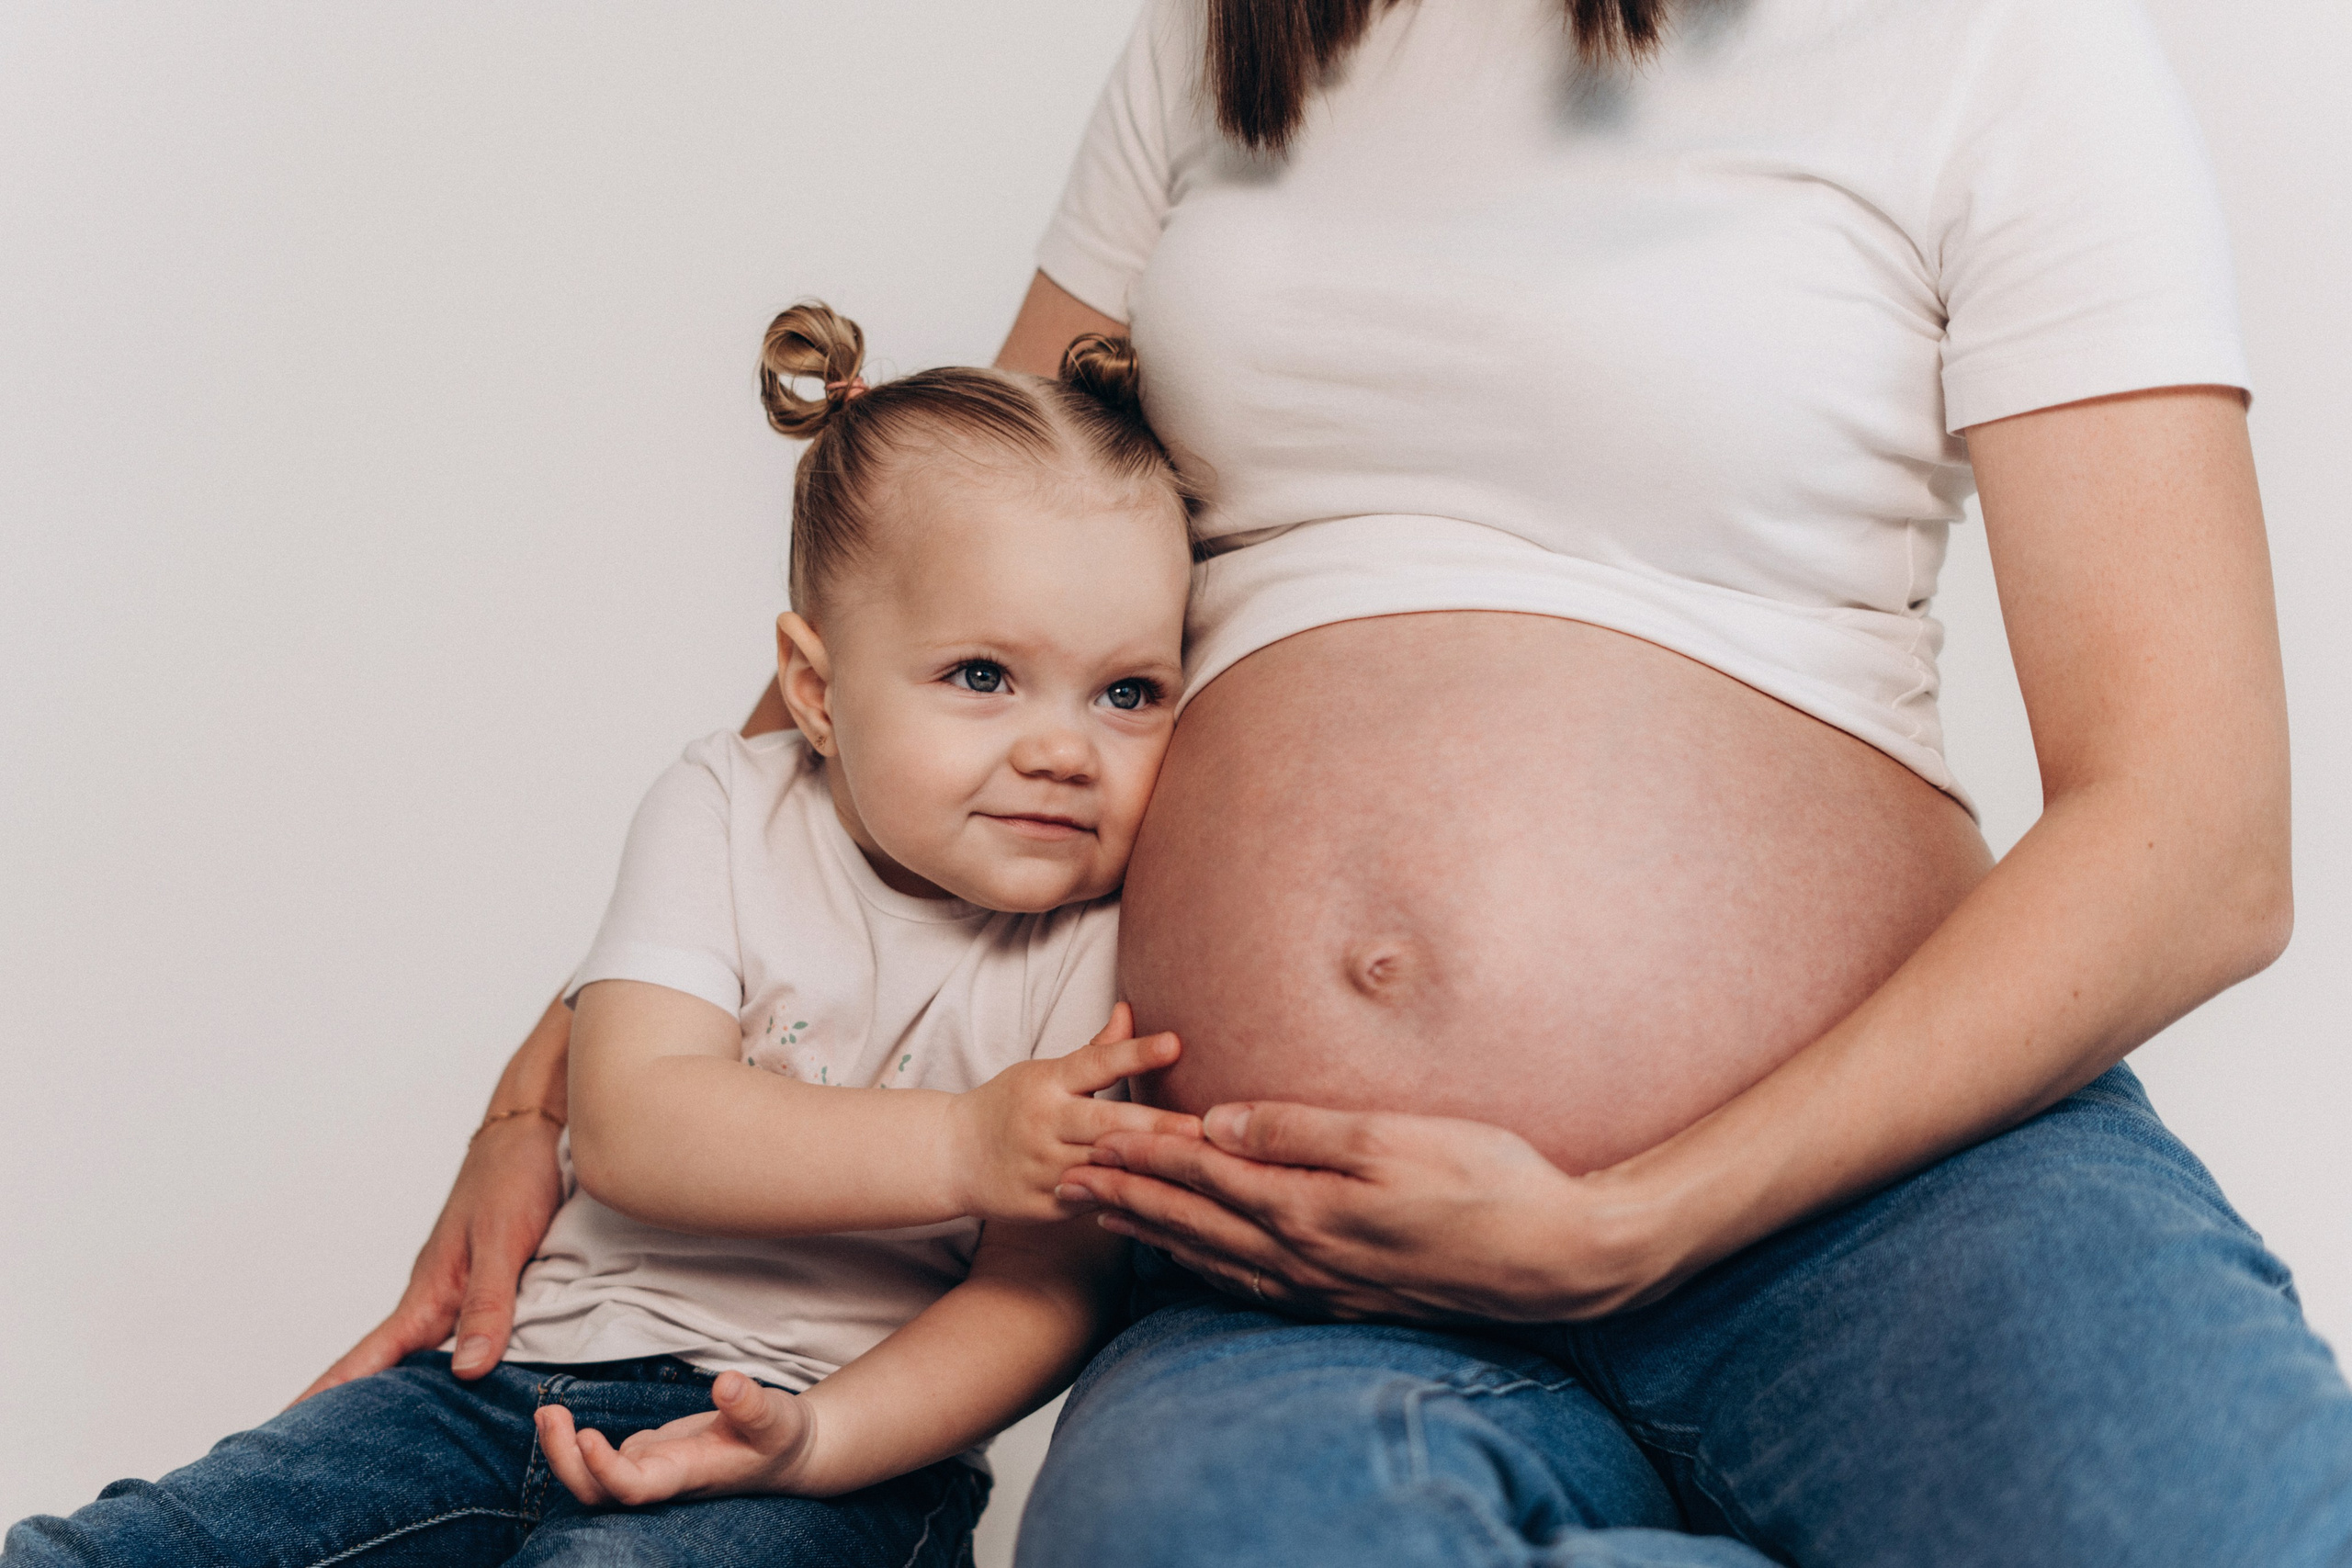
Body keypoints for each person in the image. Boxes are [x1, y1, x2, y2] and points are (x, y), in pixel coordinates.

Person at [322, 0, 2352, 1563]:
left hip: (1893, 1200)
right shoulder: (1229, 34)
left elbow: (2191, 839)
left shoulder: (1986, 40)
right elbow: (937, 571)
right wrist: (565, 1069)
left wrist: (1632, 1212)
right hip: (1274, 1236)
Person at [2, 306, 1198, 1566]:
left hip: (830, 1463)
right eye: (982, 675)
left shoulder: (1102, 945)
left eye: (1129, 694)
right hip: (518, 1384)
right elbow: (633, 1123)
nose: (1064, 748)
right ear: (815, 689)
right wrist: (967, 1140)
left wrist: (820, 1438)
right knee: (146, 1547)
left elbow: (1046, 1291)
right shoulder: (724, 807)